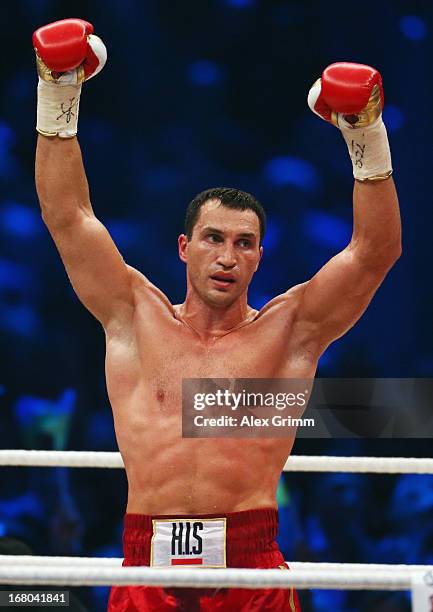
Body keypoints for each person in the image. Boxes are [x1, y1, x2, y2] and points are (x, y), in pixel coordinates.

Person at [33, 18, 401, 612]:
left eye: (244, 243)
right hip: (145, 558)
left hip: (251, 561)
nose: (226, 257)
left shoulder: (290, 330)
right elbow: (68, 217)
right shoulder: (133, 315)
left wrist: (366, 133)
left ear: (260, 256)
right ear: (184, 247)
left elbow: (374, 252)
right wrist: (58, 90)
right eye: (212, 238)